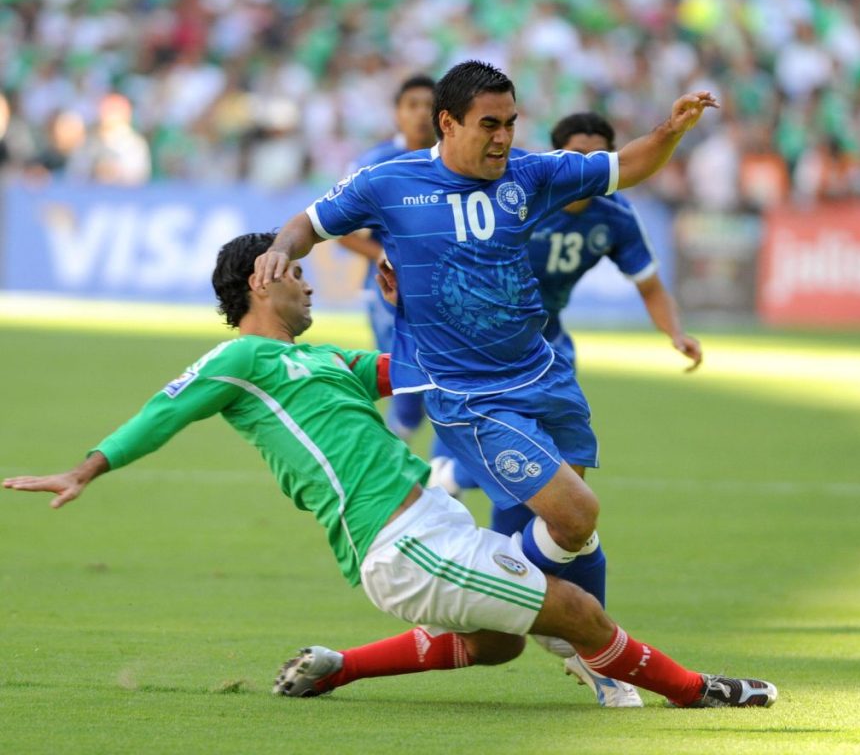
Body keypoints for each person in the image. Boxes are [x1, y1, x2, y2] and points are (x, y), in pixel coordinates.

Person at [2, 232, 777, 710]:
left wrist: (414, 307)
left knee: (500, 644)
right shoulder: (242, 359)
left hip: (431, 525)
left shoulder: (319, 359)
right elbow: (162, 411)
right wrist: (87, 467)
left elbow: (418, 372)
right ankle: (695, 691)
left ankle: (339, 670)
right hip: (400, 544)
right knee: (575, 611)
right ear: (261, 281)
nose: (309, 282)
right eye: (297, 272)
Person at [254, 60, 718, 705]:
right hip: (470, 394)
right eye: (489, 125)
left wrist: (670, 128)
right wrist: (284, 248)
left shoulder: (531, 173)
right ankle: (583, 641)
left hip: (547, 373)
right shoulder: (391, 182)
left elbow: (630, 165)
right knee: (573, 514)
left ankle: (524, 606)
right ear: (449, 124)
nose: (503, 137)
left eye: (510, 123)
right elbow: (310, 221)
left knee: (567, 537)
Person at [431, 112, 704, 530]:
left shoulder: (615, 215)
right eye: (576, 155)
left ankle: (498, 536)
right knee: (501, 439)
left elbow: (650, 286)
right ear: (558, 156)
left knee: (550, 459)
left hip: (548, 340)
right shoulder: (520, 192)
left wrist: (676, 333)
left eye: (597, 157)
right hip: (483, 339)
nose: (585, 167)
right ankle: (448, 476)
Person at [334, 74, 436, 441]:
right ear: (397, 114)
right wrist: (381, 253)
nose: (422, 114)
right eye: (413, 105)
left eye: (430, 105)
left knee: (442, 383)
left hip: (445, 291)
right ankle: (394, 456)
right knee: (407, 384)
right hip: (389, 293)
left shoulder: (458, 163)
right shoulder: (374, 163)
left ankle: (433, 466)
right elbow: (341, 230)